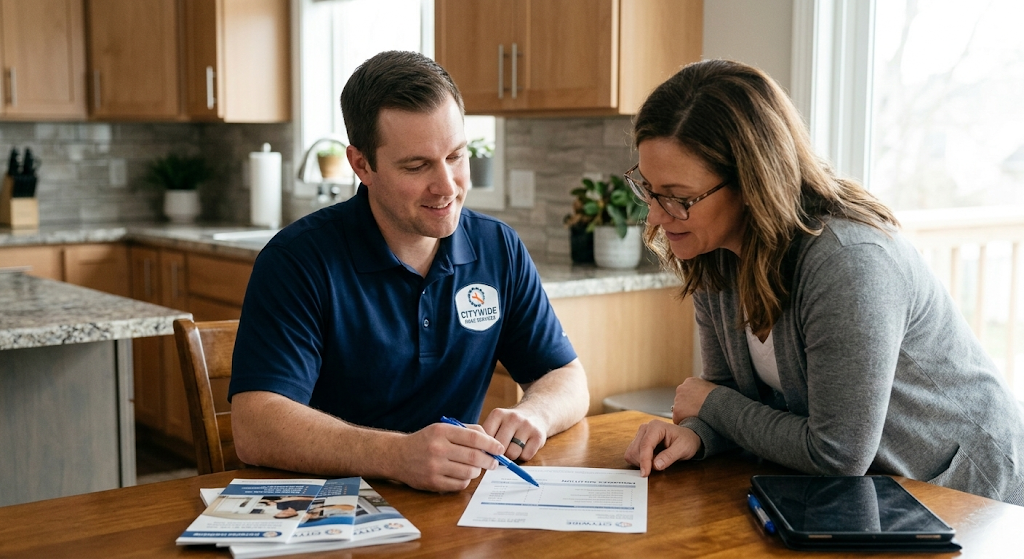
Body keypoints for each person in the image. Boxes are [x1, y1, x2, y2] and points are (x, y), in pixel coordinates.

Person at [622, 59, 1024, 505]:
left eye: (679, 198)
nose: (656, 216)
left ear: (752, 181)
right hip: (870, 497)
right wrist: (697, 435)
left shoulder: (848, 263)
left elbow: (836, 453)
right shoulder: (714, 254)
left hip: (968, 496)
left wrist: (710, 405)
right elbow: (727, 397)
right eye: (649, 190)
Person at [230, 50, 589, 493]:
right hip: (330, 509)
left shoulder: (499, 249)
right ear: (362, 165)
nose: (447, 186)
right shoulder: (296, 261)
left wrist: (536, 413)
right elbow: (254, 427)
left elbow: (565, 378)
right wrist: (397, 456)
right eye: (417, 166)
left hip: (449, 508)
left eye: (457, 156)